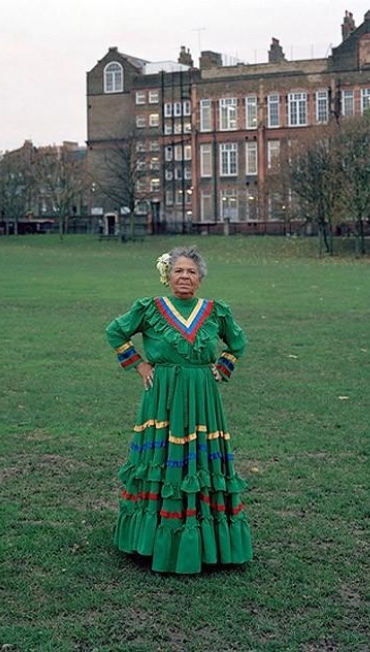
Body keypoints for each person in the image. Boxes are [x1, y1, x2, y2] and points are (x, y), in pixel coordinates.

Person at [105, 245, 252, 574]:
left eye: (191, 272)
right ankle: (153, 538)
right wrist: (140, 366)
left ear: (200, 279)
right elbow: (114, 331)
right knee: (161, 462)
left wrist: (223, 365)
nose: (185, 277)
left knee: (199, 459)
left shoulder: (215, 311)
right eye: (178, 271)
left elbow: (238, 342)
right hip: (163, 395)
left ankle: (205, 539)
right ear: (167, 276)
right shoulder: (150, 308)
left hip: (202, 396)